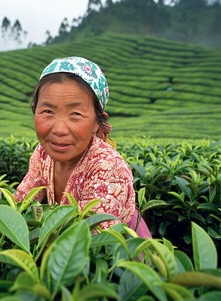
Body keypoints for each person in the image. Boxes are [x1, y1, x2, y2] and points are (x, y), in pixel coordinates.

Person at [14, 56, 151, 238]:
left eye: (76, 114)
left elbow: (91, 240)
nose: (59, 129)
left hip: (121, 257)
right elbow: (23, 200)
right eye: (47, 111)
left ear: (97, 121)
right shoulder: (42, 154)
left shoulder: (108, 167)